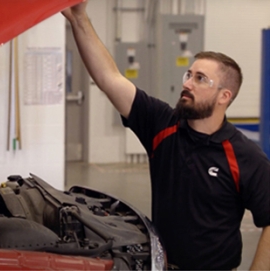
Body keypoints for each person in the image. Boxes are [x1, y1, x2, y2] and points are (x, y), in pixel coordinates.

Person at [62, 1, 270, 270]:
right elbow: (108, 78)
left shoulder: (245, 156)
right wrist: (79, 18)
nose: (187, 83)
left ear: (224, 96)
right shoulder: (163, 124)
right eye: (189, 74)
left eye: (200, 79)